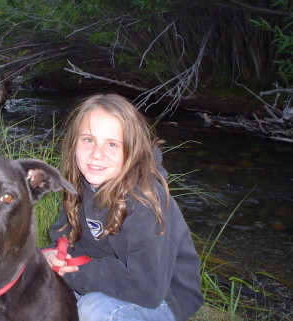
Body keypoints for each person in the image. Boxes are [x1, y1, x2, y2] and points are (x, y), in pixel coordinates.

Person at [43, 93, 203, 321]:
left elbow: (147, 288)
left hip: (164, 299)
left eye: (112, 144)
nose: (97, 154)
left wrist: (74, 274)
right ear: (73, 144)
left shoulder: (145, 202)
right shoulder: (79, 187)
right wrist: (52, 256)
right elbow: (63, 241)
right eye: (88, 140)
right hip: (106, 282)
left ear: (132, 150)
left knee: (93, 310)